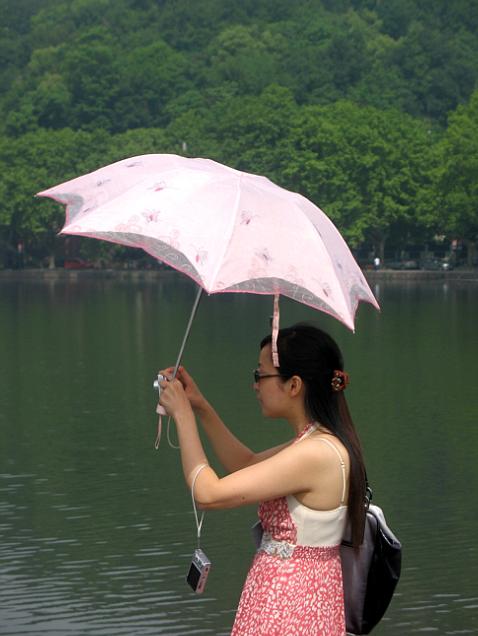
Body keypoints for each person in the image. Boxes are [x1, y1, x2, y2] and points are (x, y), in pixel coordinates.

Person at [158, 323, 367, 636]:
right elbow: (247, 465)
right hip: (291, 601)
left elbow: (208, 493)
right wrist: (200, 407)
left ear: (293, 385)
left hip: (289, 608)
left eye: (260, 374)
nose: (255, 385)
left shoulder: (316, 453)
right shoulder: (317, 442)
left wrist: (182, 416)